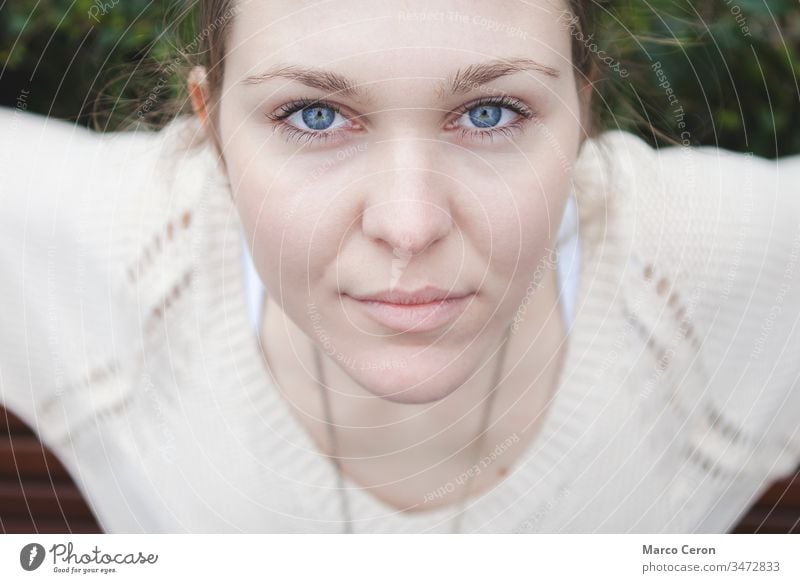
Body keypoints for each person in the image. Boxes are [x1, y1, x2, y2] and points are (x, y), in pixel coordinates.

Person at [1, 0, 799, 534]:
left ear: (580, 112)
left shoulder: (707, 270)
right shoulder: (117, 256)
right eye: (313, 116)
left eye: (492, 113)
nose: (410, 226)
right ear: (213, 130)